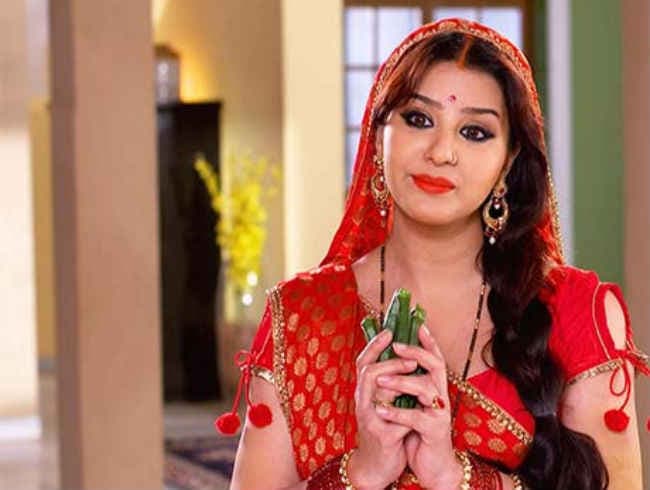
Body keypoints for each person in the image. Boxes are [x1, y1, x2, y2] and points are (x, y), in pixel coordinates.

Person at [218, 18, 649, 490]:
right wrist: (362, 473)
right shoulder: (303, 317)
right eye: (418, 120)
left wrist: (454, 475)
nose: (442, 151)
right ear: (377, 136)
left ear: (508, 161)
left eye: (475, 132)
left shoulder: (577, 311)